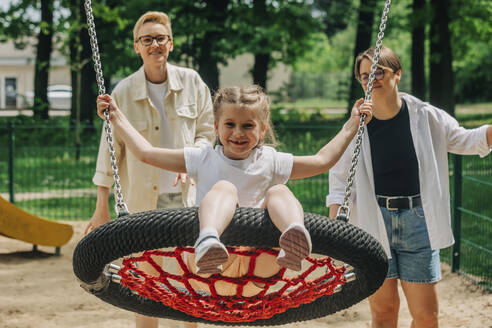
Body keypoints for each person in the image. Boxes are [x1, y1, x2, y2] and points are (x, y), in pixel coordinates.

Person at [95, 84, 372, 321]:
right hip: (210, 268)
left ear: (262, 130)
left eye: (248, 125)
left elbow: (321, 161)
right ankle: (208, 239)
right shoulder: (203, 158)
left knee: (279, 192)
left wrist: (352, 124)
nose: (238, 133)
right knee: (225, 188)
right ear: (216, 127)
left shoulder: (270, 160)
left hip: (265, 264)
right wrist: (116, 117)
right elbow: (146, 153)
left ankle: (294, 234)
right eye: (230, 124)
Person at [327, 46, 492, 328]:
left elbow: (464, 139)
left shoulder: (426, 116)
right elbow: (340, 180)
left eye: (379, 72)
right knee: (384, 312)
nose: (372, 79)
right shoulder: (357, 124)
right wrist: (336, 232)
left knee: (426, 316)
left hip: (419, 221)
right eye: (365, 75)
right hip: (373, 222)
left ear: (398, 74)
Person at [85, 11, 215, 328]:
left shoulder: (192, 82)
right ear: (137, 47)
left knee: (191, 280)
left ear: (170, 44)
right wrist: (101, 207)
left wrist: (192, 159)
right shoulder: (122, 93)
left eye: (160, 38)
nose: (154, 44)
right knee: (145, 282)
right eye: (147, 39)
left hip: (187, 198)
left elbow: (207, 133)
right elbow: (109, 151)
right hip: (142, 201)